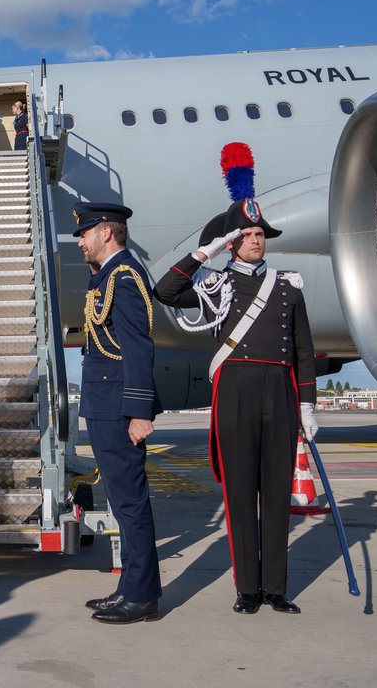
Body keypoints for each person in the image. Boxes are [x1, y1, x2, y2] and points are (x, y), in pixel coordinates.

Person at [154, 195, 317, 615]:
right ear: (232, 243)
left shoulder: (287, 286)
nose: (257, 242)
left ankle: (275, 588)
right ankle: (247, 588)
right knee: (241, 493)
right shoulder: (216, 285)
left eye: (260, 235)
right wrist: (204, 252)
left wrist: (308, 405)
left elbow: (303, 349)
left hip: (280, 392)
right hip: (235, 391)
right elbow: (166, 290)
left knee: (278, 494)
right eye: (247, 236)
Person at [73, 201, 163, 624]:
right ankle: (131, 587)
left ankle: (142, 595)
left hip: (119, 408)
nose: (80, 240)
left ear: (106, 232)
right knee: (121, 500)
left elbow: (138, 347)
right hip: (106, 404)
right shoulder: (107, 276)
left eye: (86, 233)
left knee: (130, 503)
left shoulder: (124, 278)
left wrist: (140, 411)